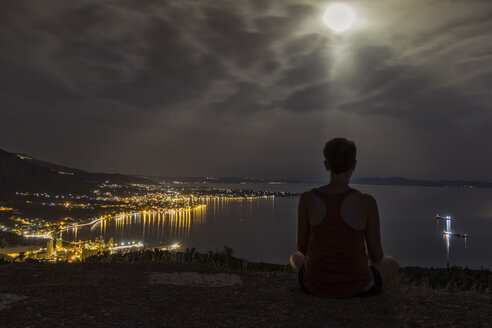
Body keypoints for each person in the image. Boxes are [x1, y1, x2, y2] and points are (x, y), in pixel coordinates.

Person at [290, 138, 399, 298]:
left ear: (326, 165)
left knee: (295, 257)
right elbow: (377, 256)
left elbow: (302, 248)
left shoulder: (307, 199)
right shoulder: (367, 202)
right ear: (354, 165)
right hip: (359, 287)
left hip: (314, 285)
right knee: (392, 263)